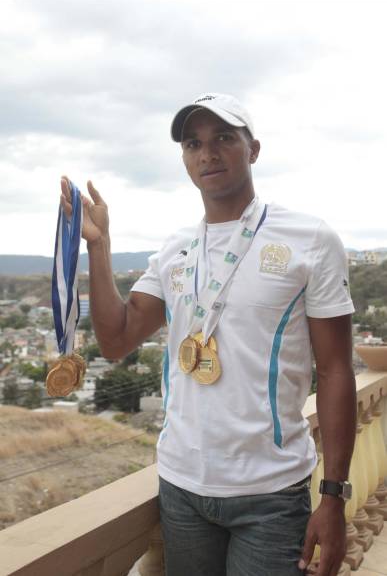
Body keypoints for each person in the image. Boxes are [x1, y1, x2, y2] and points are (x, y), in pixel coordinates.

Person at [60, 92, 357, 576]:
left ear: (253, 149)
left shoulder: (309, 239)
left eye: (224, 138)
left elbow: (337, 369)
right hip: (182, 488)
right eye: (193, 143)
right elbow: (116, 340)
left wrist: (334, 496)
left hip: (271, 493)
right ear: (184, 159)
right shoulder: (177, 248)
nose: (208, 153)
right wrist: (99, 246)